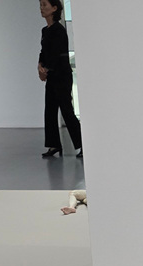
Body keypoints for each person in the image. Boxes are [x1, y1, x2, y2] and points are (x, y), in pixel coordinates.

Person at [38, 0, 82, 158]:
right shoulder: (45, 30)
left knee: (66, 110)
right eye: (41, 5)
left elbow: (59, 55)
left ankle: (81, 144)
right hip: (51, 75)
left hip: (61, 76)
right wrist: (40, 66)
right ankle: (54, 144)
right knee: (50, 110)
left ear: (54, 8)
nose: (41, 8)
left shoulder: (59, 30)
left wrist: (46, 69)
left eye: (45, 5)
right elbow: (43, 52)